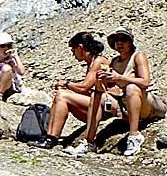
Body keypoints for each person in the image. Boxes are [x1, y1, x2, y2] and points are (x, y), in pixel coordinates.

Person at [70, 27, 167, 157]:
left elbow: (145, 82)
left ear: (130, 42)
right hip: (125, 104)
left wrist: (120, 78)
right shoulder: (114, 62)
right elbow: (108, 88)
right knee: (96, 95)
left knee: (131, 88)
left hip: (147, 105)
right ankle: (89, 141)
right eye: (117, 40)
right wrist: (101, 82)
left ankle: (134, 136)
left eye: (124, 40)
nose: (120, 43)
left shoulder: (137, 56)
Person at [28, 32, 110, 150]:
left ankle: (51, 138)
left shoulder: (98, 62)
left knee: (63, 96)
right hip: (96, 105)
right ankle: (49, 136)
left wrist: (67, 84)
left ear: (80, 48)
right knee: (61, 96)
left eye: (73, 50)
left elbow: (84, 88)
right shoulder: (92, 62)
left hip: (104, 107)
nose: (73, 54)